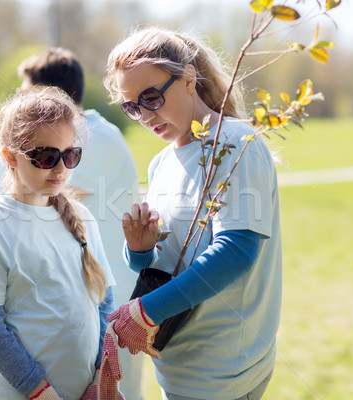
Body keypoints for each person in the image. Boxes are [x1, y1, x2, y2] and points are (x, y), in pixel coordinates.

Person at [103, 27, 282, 400]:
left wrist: (147, 311)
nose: (144, 115)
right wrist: (139, 251)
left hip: (224, 371)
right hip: (178, 367)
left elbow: (236, 251)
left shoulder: (234, 142)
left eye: (151, 97)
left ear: (187, 78)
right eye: (132, 106)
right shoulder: (160, 163)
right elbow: (161, 264)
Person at [0, 86, 123, 400]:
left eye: (71, 155)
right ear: (10, 156)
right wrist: (39, 392)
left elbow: (103, 304)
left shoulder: (82, 217)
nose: (60, 168)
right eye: (45, 156)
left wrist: (99, 378)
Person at [17, 47, 143, 400]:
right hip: (91, 289)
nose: (19, 104)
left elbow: (45, 201)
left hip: (112, 293)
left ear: (48, 95)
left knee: (119, 394)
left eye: (25, 93)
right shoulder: (72, 136)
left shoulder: (93, 137)